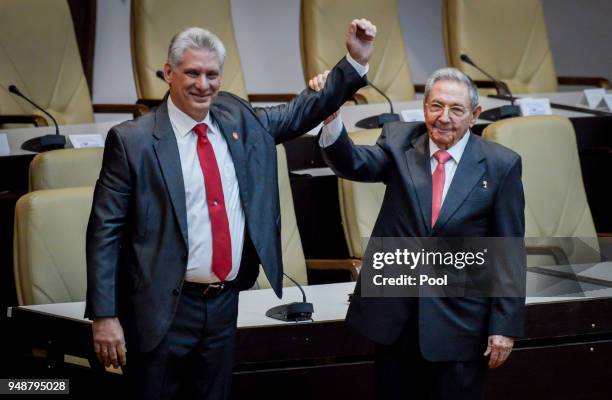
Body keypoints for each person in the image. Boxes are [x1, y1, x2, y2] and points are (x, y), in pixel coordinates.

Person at [86, 19, 376, 400]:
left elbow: (299, 113)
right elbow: (104, 230)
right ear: (169, 73)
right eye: (192, 73)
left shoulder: (236, 117)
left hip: (223, 305)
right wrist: (105, 316)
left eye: (212, 74)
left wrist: (352, 63)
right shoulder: (133, 141)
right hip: (162, 308)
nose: (203, 84)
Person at [311, 67, 525, 399]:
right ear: (424, 107)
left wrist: (504, 326)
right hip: (396, 320)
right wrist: (331, 116)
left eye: (456, 109)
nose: (444, 117)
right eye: (436, 106)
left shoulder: (501, 165)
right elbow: (351, 162)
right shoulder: (399, 141)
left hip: (461, 323)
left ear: (474, 115)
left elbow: (509, 250)